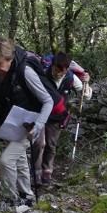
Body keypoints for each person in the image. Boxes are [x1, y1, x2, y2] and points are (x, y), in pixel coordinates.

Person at [0, 38, 53, 209]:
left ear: (10, 59)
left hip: (29, 125)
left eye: (0, 64)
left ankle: (10, 199)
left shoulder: (25, 71)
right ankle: (27, 196)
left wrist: (38, 126)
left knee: (6, 160)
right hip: (9, 124)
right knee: (19, 159)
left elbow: (48, 101)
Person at [32, 51, 92, 186]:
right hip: (40, 113)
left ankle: (47, 172)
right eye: (57, 70)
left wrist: (86, 83)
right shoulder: (42, 73)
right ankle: (36, 173)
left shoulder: (70, 78)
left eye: (62, 72)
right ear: (52, 65)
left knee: (51, 145)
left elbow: (86, 96)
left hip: (57, 115)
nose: (59, 74)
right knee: (39, 144)